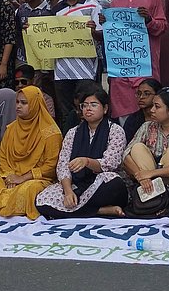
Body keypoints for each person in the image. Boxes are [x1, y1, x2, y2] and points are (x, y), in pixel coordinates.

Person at [0, 84, 61, 218]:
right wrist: (9, 176)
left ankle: (5, 209)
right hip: (10, 177)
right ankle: (2, 209)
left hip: (36, 179)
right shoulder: (12, 129)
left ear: (35, 104)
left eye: (24, 103)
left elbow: (51, 166)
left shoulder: (51, 134)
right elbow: (3, 158)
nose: (18, 106)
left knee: (28, 191)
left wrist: (23, 178)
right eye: (17, 102)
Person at [35, 86, 129, 218]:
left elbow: (110, 163)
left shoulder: (115, 130)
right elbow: (63, 165)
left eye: (94, 105)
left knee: (114, 184)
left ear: (105, 108)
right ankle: (100, 211)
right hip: (77, 184)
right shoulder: (73, 132)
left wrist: (87, 162)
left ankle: (80, 210)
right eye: (84, 105)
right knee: (42, 202)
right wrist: (68, 192)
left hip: (101, 184)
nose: (88, 109)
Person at [105, 0, 166, 118]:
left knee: (149, 113)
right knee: (123, 115)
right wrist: (103, 24)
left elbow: (162, 27)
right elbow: (112, 37)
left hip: (145, 66)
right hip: (121, 70)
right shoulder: (115, 2)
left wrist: (149, 20)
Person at [50, 0, 102, 131]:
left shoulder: (93, 6)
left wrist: (94, 31)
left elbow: (102, 37)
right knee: (66, 114)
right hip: (61, 71)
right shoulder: (56, 9)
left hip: (86, 70)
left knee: (88, 111)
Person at [123, 87, 169, 191]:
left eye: (157, 107)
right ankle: (152, 193)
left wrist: (151, 174)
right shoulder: (147, 126)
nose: (152, 110)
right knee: (137, 148)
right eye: (153, 105)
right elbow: (126, 156)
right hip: (144, 182)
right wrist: (141, 177)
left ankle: (159, 193)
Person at [120, 77, 161, 144]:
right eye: (139, 94)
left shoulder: (164, 117)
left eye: (146, 94)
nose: (141, 97)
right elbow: (126, 145)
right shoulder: (132, 119)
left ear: (157, 95)